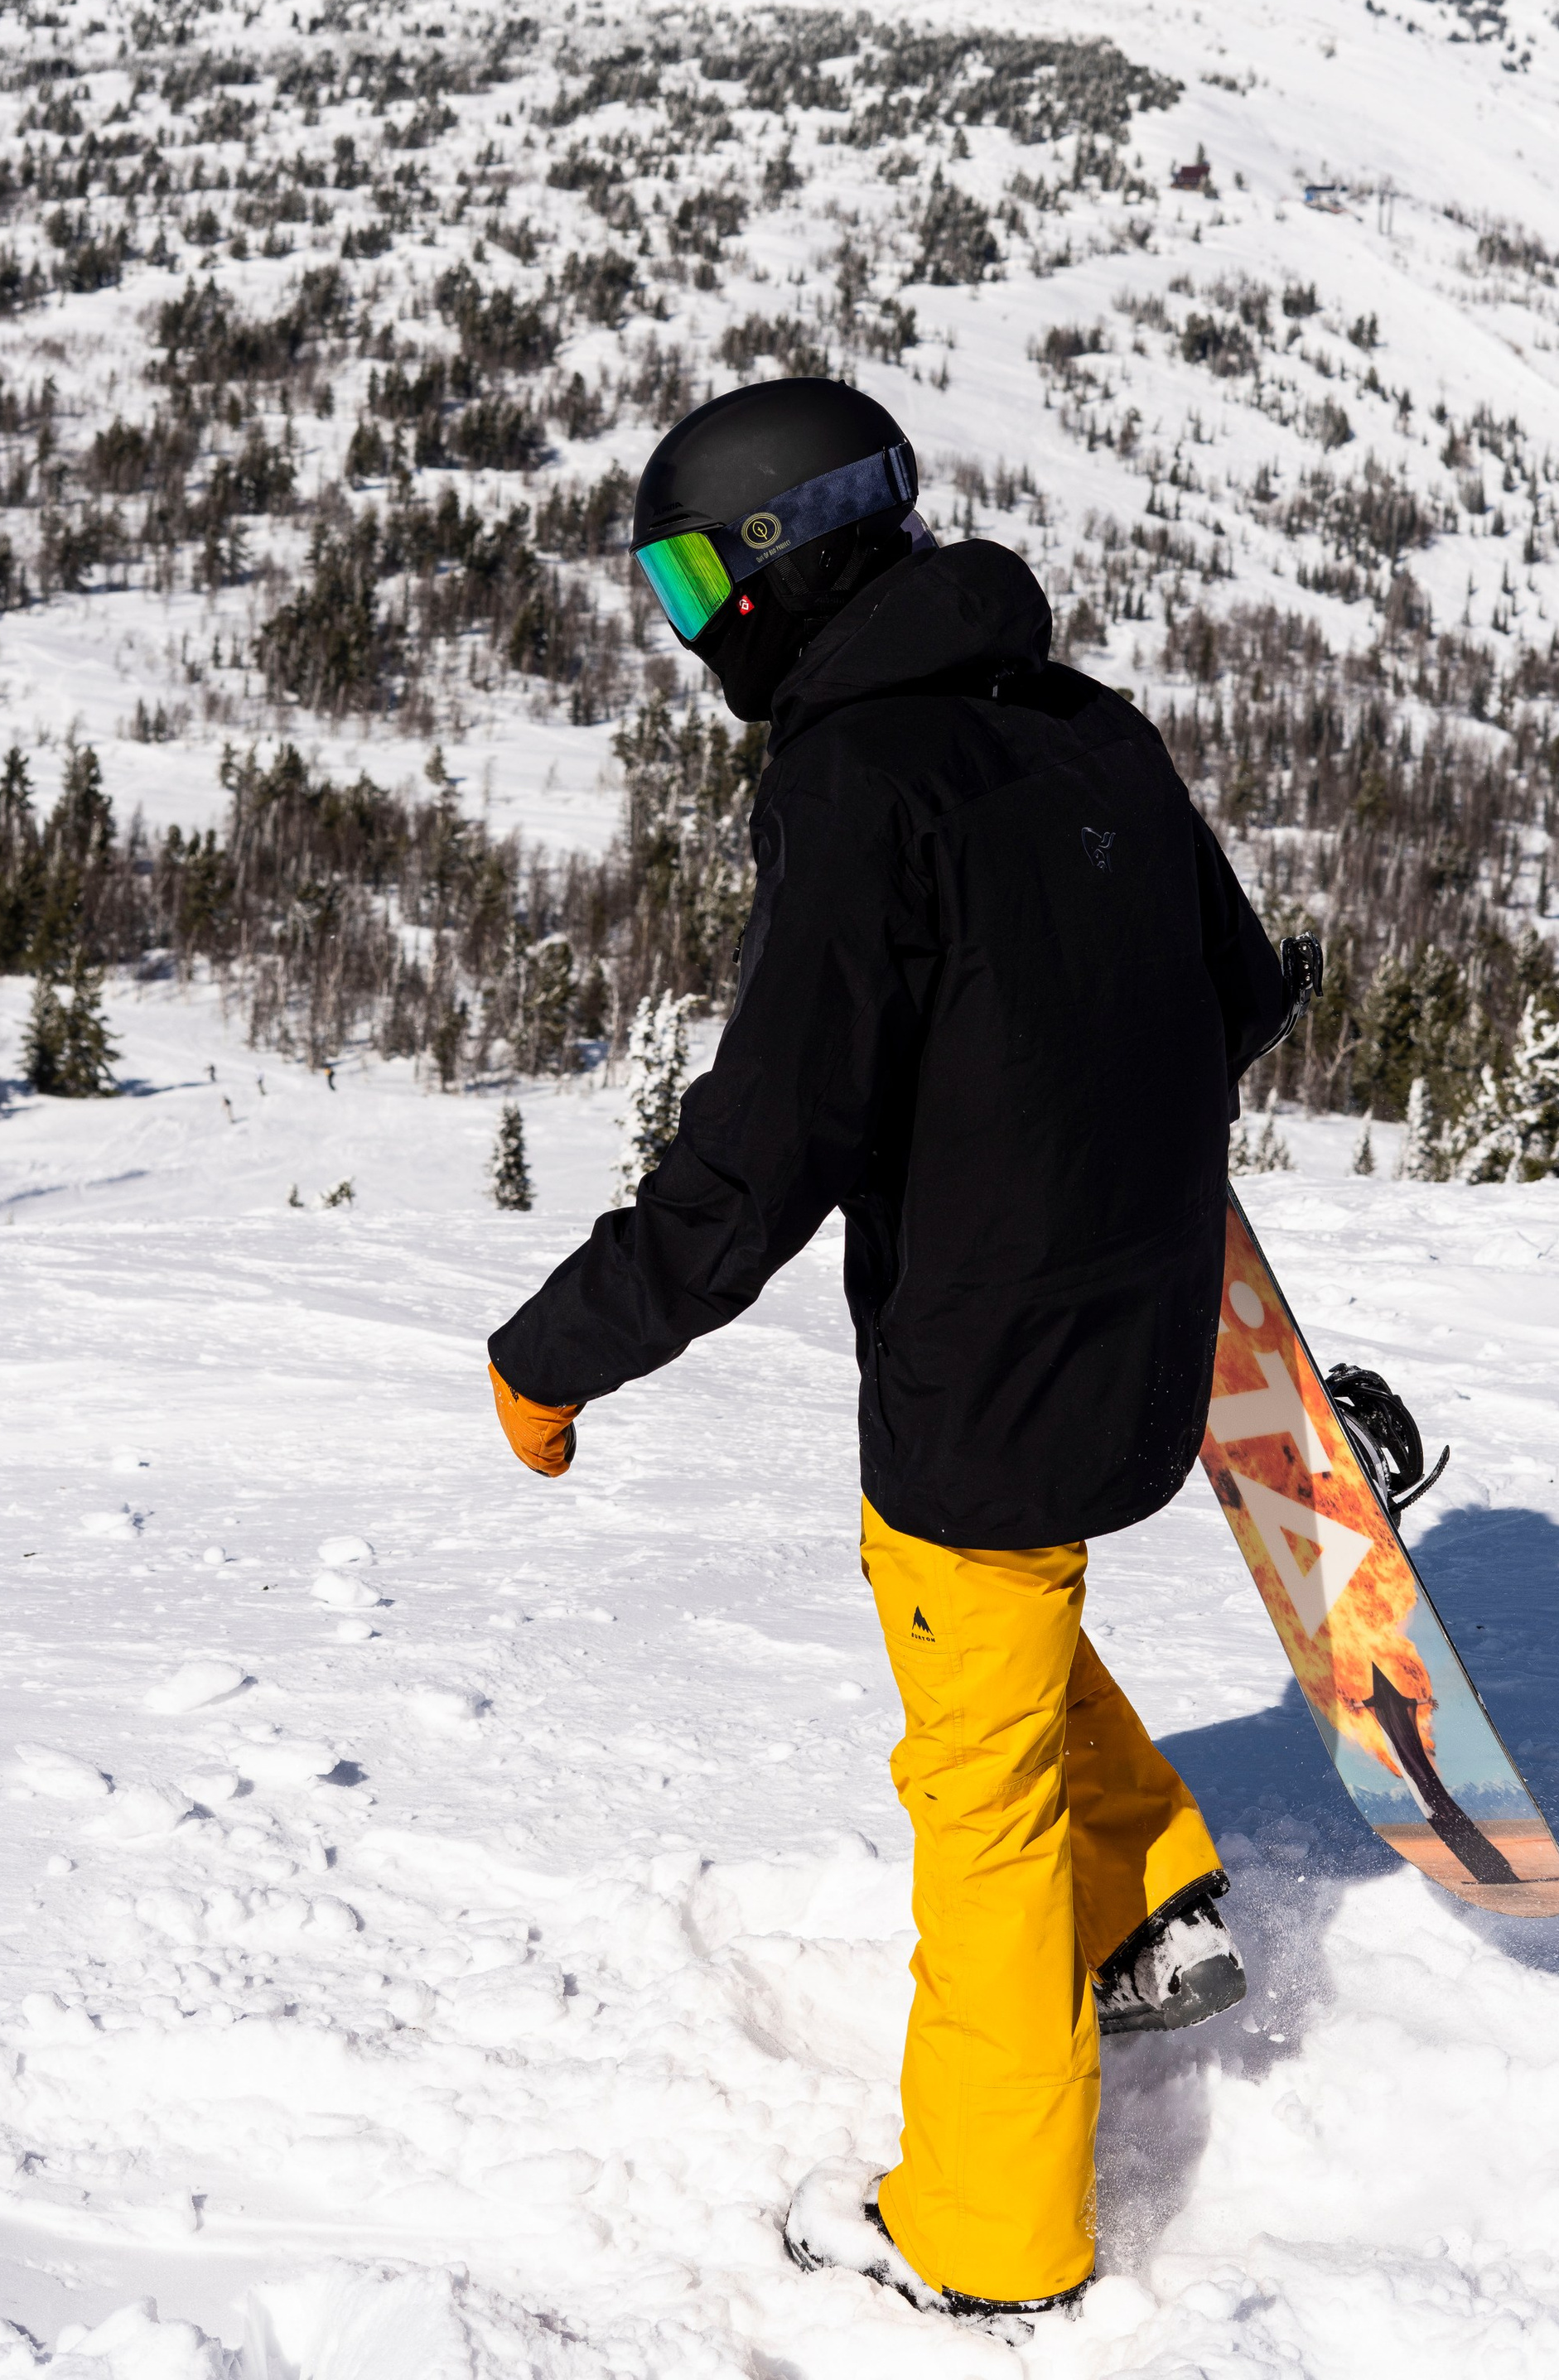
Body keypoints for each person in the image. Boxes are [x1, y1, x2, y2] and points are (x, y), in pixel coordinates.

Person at [488, 377, 1289, 2324]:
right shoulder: (1080, 725)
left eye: (691, 581)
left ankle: (988, 2235)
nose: (686, 630)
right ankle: (1156, 1895)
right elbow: (1238, 988)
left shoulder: (857, 781)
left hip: (981, 1374)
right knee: (993, 1625)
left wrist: (558, 1349)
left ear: (781, 561)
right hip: (1130, 1338)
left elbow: (767, 1147)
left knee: (976, 1783)